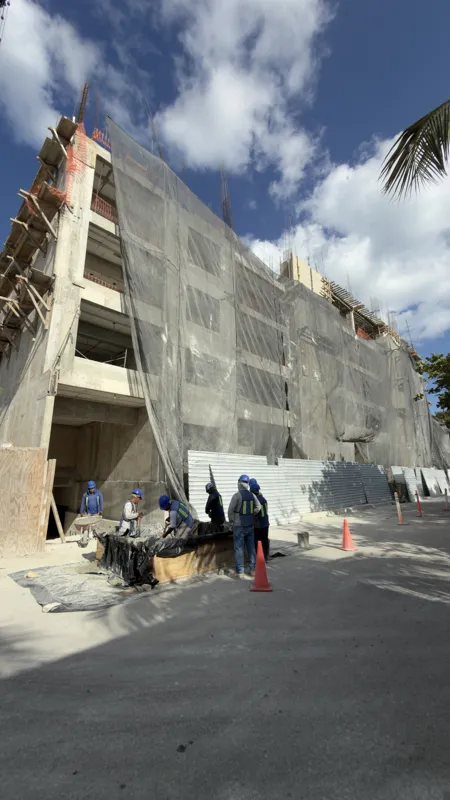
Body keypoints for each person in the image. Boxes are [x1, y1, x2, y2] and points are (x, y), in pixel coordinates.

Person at [228, 474, 261, 579]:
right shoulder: (252, 495)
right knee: (251, 548)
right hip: (250, 525)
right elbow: (258, 507)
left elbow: (230, 511)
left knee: (239, 548)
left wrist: (231, 521)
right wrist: (252, 513)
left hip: (239, 525)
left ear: (239, 483)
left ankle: (240, 571)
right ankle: (253, 570)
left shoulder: (237, 496)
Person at [249, 478, 270, 562]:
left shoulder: (255, 501)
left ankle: (259, 558)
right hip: (265, 523)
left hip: (258, 524)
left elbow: (254, 512)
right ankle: (266, 556)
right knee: (265, 540)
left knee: (257, 541)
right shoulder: (264, 499)